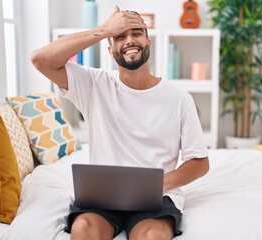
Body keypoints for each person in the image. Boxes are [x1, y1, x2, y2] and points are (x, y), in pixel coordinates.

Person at [31, 6, 209, 240]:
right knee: (83, 229)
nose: (129, 40)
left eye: (136, 33)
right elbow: (40, 59)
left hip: (155, 198)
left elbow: (199, 162)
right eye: (120, 36)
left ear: (148, 42)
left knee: (152, 236)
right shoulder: (94, 84)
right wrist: (104, 29)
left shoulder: (179, 98)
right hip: (102, 198)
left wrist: (158, 184)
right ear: (109, 48)